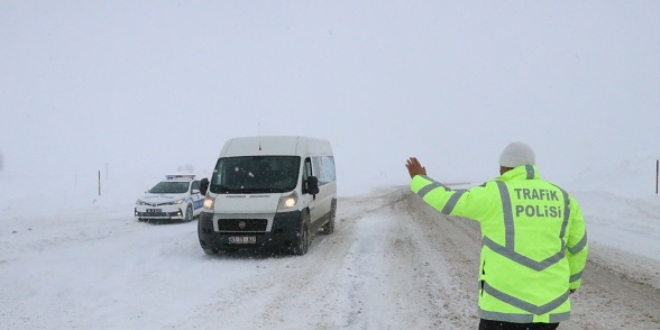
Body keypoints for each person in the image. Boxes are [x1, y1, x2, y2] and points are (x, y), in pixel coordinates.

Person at [405, 142, 588, 330]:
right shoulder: (563, 198)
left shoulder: (495, 193)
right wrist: (572, 282)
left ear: (505, 167)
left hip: (505, 305)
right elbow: (578, 247)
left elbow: (447, 201)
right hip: (549, 309)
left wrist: (420, 178)